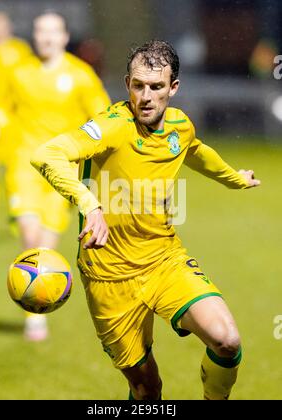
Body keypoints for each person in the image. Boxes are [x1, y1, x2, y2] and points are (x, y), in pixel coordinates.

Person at [31, 40, 260, 400]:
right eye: (138, 86)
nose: (146, 96)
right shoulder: (112, 126)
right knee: (147, 389)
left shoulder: (180, 127)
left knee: (226, 340)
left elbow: (196, 151)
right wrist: (90, 205)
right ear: (127, 85)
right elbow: (47, 154)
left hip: (163, 260)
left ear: (174, 87)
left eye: (156, 86)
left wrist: (234, 178)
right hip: (108, 276)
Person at [6, 10, 110, 341]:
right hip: (24, 163)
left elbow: (102, 119)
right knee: (28, 233)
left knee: (45, 244)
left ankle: (37, 308)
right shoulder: (20, 73)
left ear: (65, 37)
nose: (46, 37)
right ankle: (33, 313)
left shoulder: (81, 76)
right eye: (40, 31)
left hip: (61, 169)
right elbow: (0, 110)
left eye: (53, 31)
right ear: (34, 36)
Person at [0, 10, 31, 239]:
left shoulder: (20, 51)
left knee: (16, 168)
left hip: (15, 119)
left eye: (0, 24)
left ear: (8, 26)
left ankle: (16, 213)